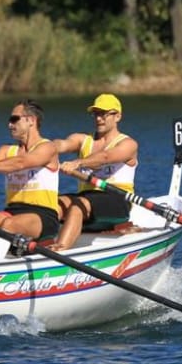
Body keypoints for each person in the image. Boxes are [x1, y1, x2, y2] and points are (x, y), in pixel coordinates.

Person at [52, 93, 138, 250]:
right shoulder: (82, 139)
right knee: (52, 204)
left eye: (104, 114)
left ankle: (59, 251)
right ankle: (34, 247)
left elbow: (105, 157)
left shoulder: (128, 144)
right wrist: (47, 149)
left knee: (78, 205)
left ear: (117, 116)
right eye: (96, 114)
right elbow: (63, 144)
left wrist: (78, 162)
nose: (99, 118)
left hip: (118, 201)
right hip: (88, 198)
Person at [0, 99, 59, 242]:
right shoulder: (6, 151)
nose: (9, 125)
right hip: (12, 211)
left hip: (43, 216)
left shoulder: (48, 147)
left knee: (9, 225)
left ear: (31, 120)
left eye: (14, 119)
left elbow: (21, 162)